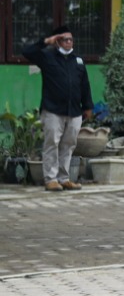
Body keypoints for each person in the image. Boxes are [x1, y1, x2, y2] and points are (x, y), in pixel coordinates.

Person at [21, 24, 93, 191]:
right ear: (57, 41)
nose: (68, 42)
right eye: (64, 39)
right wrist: (46, 41)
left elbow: (84, 85)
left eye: (70, 39)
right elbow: (27, 52)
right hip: (53, 110)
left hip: (74, 111)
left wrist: (88, 106)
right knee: (52, 143)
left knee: (68, 145)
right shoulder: (47, 57)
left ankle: (64, 178)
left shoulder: (78, 61)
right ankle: (51, 179)